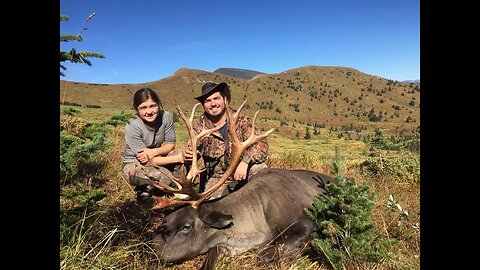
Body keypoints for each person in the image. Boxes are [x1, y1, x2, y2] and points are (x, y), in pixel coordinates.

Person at [183, 82, 269, 200]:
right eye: (208, 101)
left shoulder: (242, 120)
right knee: (210, 205)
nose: (213, 104)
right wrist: (188, 155)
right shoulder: (198, 128)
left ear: (225, 100)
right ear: (204, 105)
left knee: (260, 170)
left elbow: (261, 144)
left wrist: (245, 162)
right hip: (218, 179)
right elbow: (190, 150)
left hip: (244, 171)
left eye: (216, 98)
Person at [122, 87, 183, 201]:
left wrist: (154, 151)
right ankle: (144, 191)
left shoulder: (166, 117)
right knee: (164, 175)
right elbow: (145, 160)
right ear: (136, 109)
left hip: (156, 157)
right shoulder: (132, 126)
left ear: (158, 104)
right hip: (134, 165)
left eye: (153, 106)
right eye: (143, 108)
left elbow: (170, 144)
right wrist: (178, 159)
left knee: (185, 154)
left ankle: (174, 187)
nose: (149, 112)